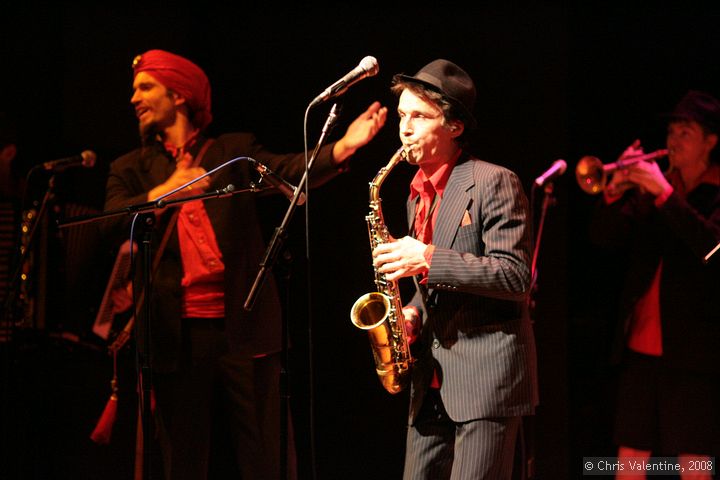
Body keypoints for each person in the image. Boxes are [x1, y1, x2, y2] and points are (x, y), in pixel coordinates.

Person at [101, 49, 387, 480]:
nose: (133, 99)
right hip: (173, 335)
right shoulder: (132, 168)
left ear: (178, 95)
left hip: (245, 324)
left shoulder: (233, 150)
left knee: (266, 456)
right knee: (182, 460)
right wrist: (161, 195)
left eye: (145, 88)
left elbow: (287, 170)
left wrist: (344, 146)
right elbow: (109, 223)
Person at [371, 59, 538, 480]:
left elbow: (516, 276)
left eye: (420, 117)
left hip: (485, 383)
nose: (404, 129)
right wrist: (411, 311)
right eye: (402, 116)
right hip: (431, 380)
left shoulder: (493, 181)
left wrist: (426, 257)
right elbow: (440, 284)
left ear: (454, 127)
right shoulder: (413, 195)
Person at [589, 90, 720, 479]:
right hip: (639, 346)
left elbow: (712, 249)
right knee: (630, 455)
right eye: (672, 130)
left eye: (686, 131)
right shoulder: (656, 190)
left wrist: (662, 192)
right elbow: (603, 239)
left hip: (696, 351)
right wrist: (614, 189)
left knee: (693, 461)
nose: (673, 139)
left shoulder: (711, 192)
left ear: (710, 142)